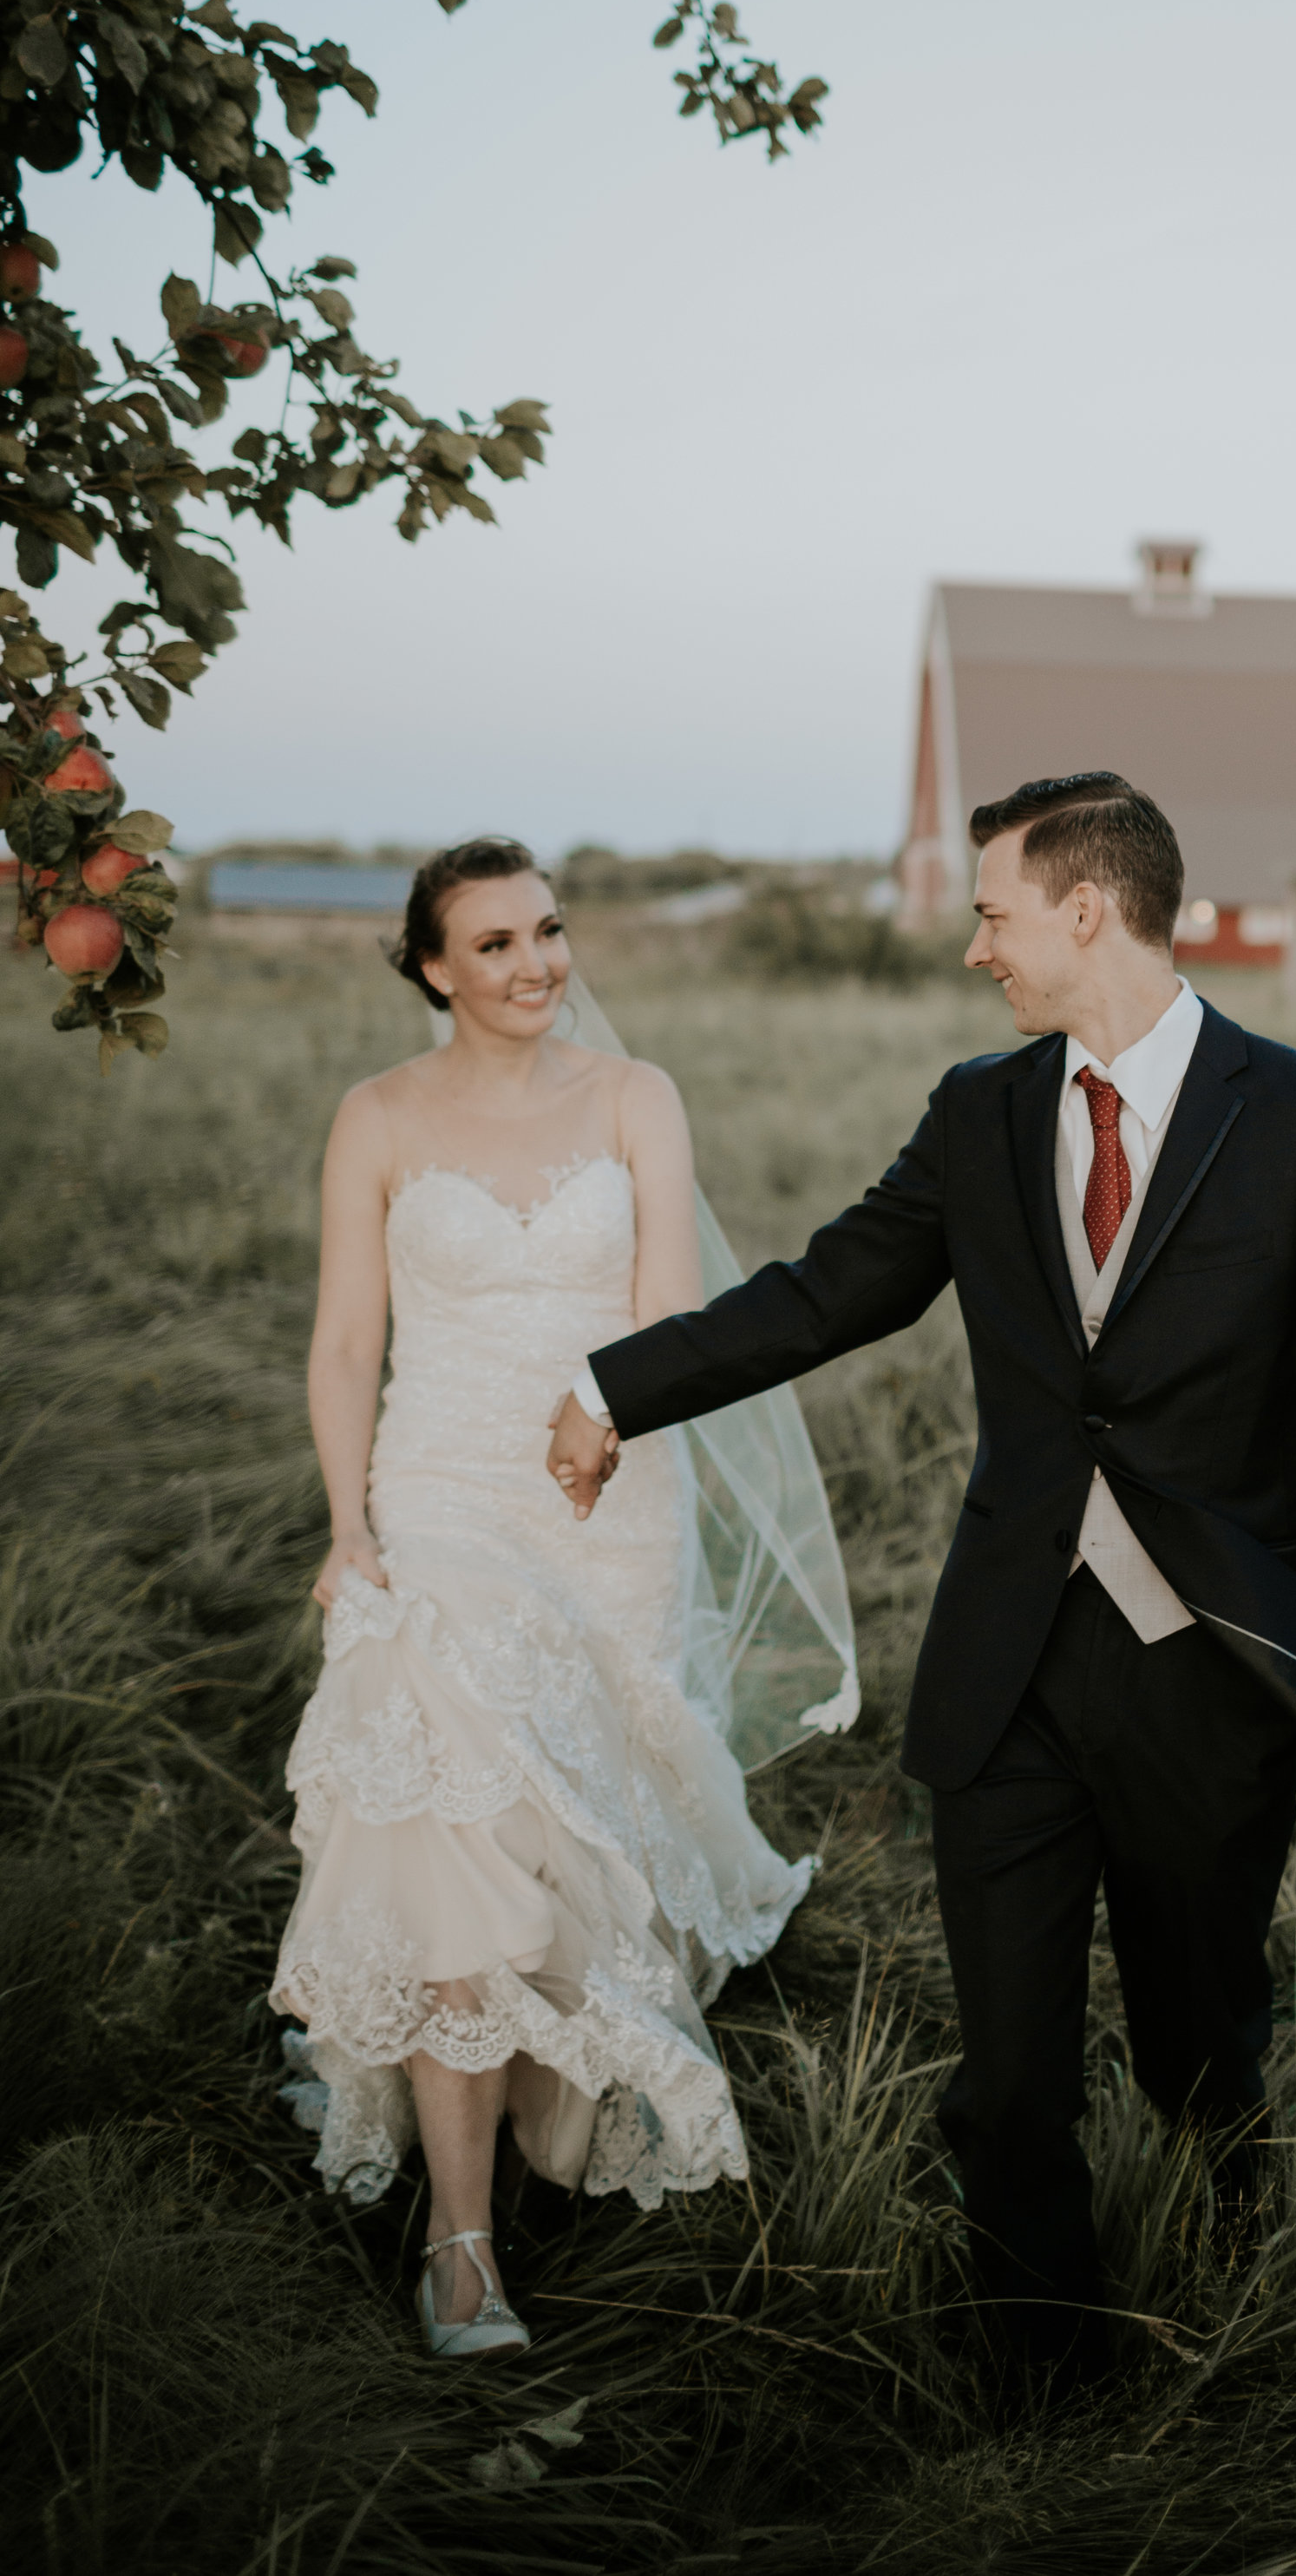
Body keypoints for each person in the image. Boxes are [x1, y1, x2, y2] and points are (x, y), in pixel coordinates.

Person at [549, 772, 1296, 2389]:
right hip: (1013, 1662)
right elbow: (829, 1290)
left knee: (1202, 2035)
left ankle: (1241, 2263)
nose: (975, 945)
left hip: (1217, 1663)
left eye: (991, 912)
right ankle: (1040, 2379)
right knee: (1012, 2065)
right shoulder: (979, 1109)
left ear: (1084, 909)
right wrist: (621, 1385)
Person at [271, 837, 816, 2358]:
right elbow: (339, 1347)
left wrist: (610, 1420)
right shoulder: (375, 1119)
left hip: (608, 1498)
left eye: (550, 930)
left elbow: (666, 1321)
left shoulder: (636, 1099)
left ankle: (542, 2106)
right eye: (495, 942)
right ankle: (463, 2252)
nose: (536, 964)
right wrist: (347, 1530)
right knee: (455, 1817)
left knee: (587, 1832)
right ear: (433, 966)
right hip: (438, 1502)